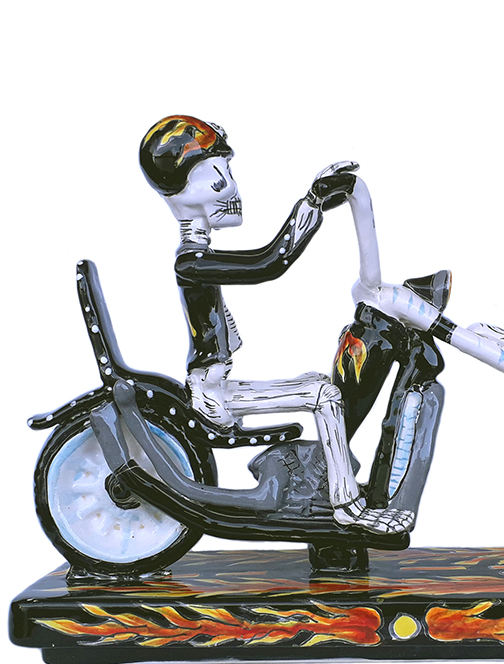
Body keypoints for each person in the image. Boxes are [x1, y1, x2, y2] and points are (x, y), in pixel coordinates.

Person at [139, 115, 411, 535]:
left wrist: (317, 202)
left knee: (319, 386)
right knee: (324, 393)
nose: (231, 189)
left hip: (216, 385)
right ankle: (348, 508)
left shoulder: (196, 256)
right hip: (212, 395)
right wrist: (311, 204)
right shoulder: (190, 262)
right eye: (217, 179)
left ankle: (333, 488)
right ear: (181, 194)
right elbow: (268, 264)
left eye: (229, 174)